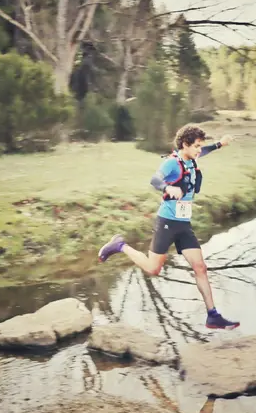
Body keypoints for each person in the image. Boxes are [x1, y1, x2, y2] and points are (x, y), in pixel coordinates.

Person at [97, 124, 240, 330]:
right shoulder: (172, 163)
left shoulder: (192, 158)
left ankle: (212, 315)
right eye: (197, 146)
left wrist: (220, 144)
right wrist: (168, 187)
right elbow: (154, 179)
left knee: (200, 267)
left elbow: (205, 151)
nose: (200, 149)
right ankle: (120, 246)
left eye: (201, 146)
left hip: (183, 224)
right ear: (185, 145)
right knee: (153, 269)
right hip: (167, 223)